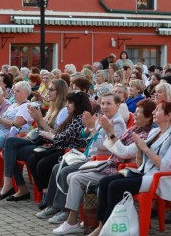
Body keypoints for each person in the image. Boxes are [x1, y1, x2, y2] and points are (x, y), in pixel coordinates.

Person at [52, 98, 155, 234]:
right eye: (103, 103)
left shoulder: (138, 131)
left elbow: (118, 151)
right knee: (67, 172)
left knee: (74, 177)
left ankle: (73, 220)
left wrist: (103, 132)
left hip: (117, 167)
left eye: (108, 103)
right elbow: (101, 142)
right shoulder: (130, 128)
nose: (134, 115)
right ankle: (81, 218)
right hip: (105, 161)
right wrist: (91, 128)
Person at [89, 101, 171, 236]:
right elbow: (141, 163)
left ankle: (106, 228)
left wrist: (144, 148)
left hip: (160, 178)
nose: (153, 113)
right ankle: (101, 226)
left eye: (158, 110)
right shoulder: (155, 131)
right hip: (145, 172)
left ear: (168, 116)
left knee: (115, 186)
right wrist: (139, 150)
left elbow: (165, 166)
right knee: (105, 182)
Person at [0, 79, 69, 202]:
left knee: (9, 150)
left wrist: (40, 120)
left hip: (51, 146)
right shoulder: (52, 107)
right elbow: (41, 129)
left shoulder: (64, 111)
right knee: (10, 143)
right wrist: (33, 126)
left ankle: (17, 187)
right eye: (48, 89)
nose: (47, 92)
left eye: (51, 90)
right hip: (41, 140)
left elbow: (58, 136)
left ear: (60, 92)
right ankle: (12, 185)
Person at [26, 92, 93, 204]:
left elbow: (62, 138)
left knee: (43, 164)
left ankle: (50, 197)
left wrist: (50, 135)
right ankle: (45, 192)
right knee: (32, 159)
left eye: (70, 103)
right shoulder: (72, 117)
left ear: (79, 104)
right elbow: (59, 134)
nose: (67, 105)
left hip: (71, 151)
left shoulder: (81, 119)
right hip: (61, 147)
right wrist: (46, 132)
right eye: (67, 102)